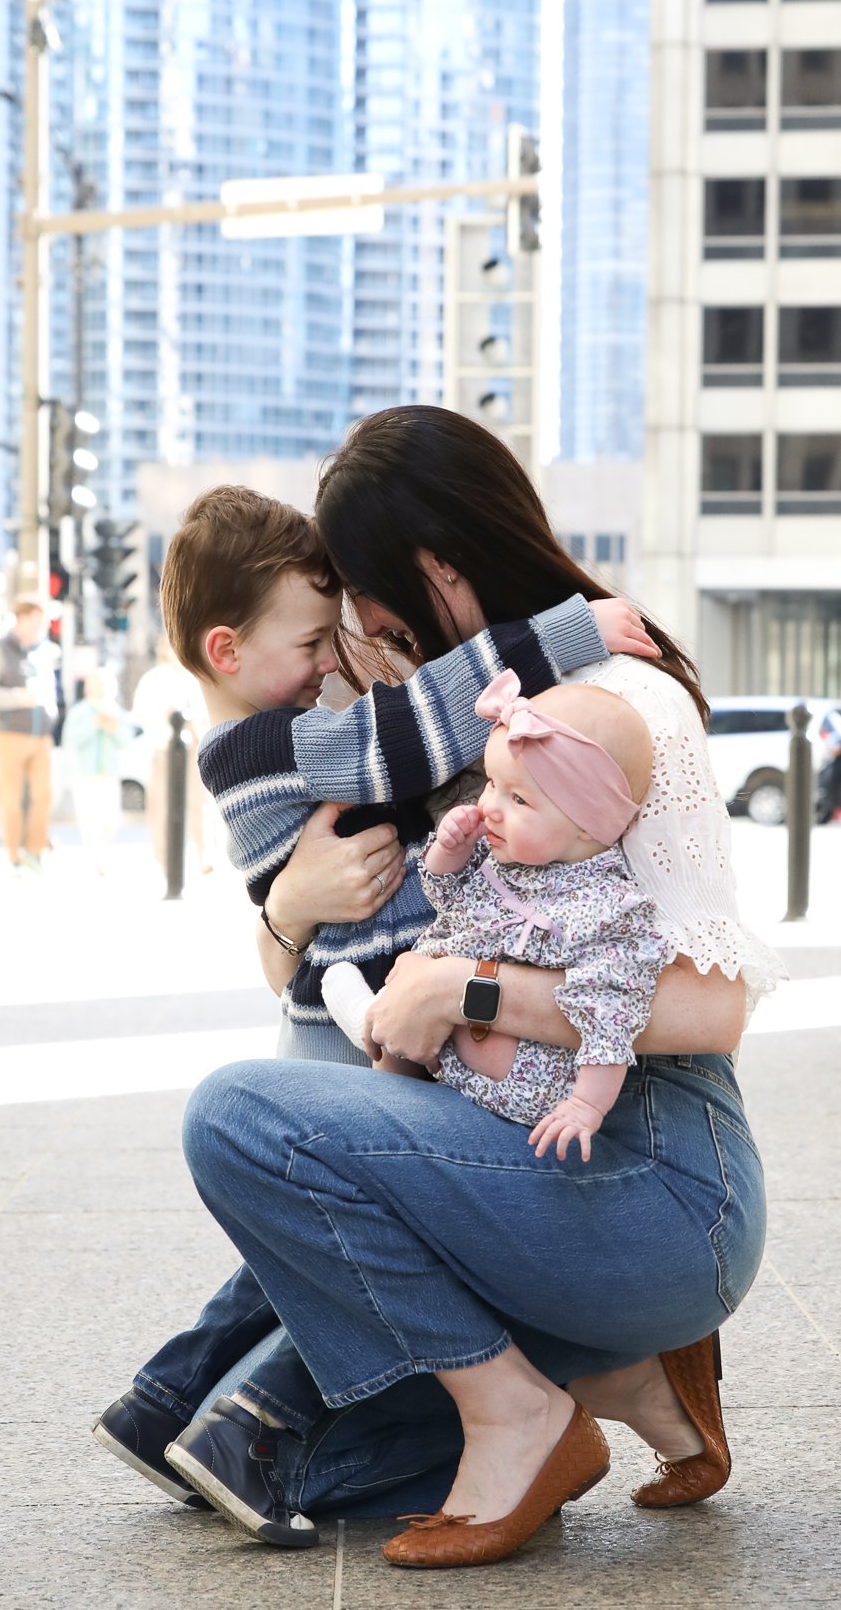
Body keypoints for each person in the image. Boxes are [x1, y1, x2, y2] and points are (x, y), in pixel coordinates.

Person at [170, 405, 784, 1569]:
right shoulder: (471, 706)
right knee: (264, 1458)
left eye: (374, 606)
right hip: (529, 1143)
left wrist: (467, 990)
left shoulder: (595, 709)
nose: (361, 641)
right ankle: (614, 1378)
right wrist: (293, 903)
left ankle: (527, 1404)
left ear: (438, 570)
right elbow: (299, 953)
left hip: (644, 1174)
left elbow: (715, 1009)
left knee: (239, 1118)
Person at [91, 483, 654, 1543]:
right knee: (357, 1215)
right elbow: (415, 726)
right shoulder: (273, 742)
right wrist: (572, 631)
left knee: (319, 1216)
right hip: (364, 1014)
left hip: (352, 991)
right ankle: (248, 1423)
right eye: (309, 640)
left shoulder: (275, 729)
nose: (327, 657)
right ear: (226, 648)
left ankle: (171, 1397)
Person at [324, 673, 667, 1166]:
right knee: (404, 1024)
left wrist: (587, 1105)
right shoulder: (507, 856)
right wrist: (449, 853)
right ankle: (382, 1030)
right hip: (446, 1043)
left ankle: (371, 1025)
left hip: (522, 1083)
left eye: (518, 799)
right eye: (491, 783)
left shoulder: (605, 907)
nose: (489, 808)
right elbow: (447, 900)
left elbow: (611, 1012)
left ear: (586, 822)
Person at [0, 599, 58, 872]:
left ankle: (35, 852)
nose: (40, 628)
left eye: (43, 623)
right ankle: (13, 855)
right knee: (10, 799)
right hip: (9, 734)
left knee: (43, 796)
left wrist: (51, 712)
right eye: (36, 622)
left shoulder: (43, 652)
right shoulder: (0, 651)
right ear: (21, 620)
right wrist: (15, 697)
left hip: (41, 735)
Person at [130, 636, 211, 879]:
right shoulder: (155, 679)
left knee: (200, 804)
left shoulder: (195, 677)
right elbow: (142, 713)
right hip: (165, 748)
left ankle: (204, 854)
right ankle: (164, 859)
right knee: (161, 805)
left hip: (195, 747)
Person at [60, 669, 134, 875]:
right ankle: (97, 860)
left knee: (111, 818)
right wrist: (94, 724)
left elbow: (126, 739)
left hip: (110, 773)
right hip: (85, 774)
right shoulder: (80, 712)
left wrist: (112, 728)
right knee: (90, 819)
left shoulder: (115, 711)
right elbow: (71, 738)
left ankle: (102, 853)